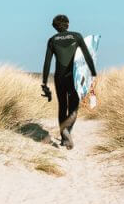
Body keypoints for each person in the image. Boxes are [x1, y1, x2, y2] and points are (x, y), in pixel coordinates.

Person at [41, 14, 97, 149]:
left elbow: (47, 62)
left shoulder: (52, 40)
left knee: (62, 106)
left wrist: (44, 82)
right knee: (73, 106)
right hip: (74, 77)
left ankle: (64, 135)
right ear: (68, 24)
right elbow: (87, 56)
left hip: (59, 77)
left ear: (55, 27)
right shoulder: (77, 36)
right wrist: (93, 74)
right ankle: (67, 132)